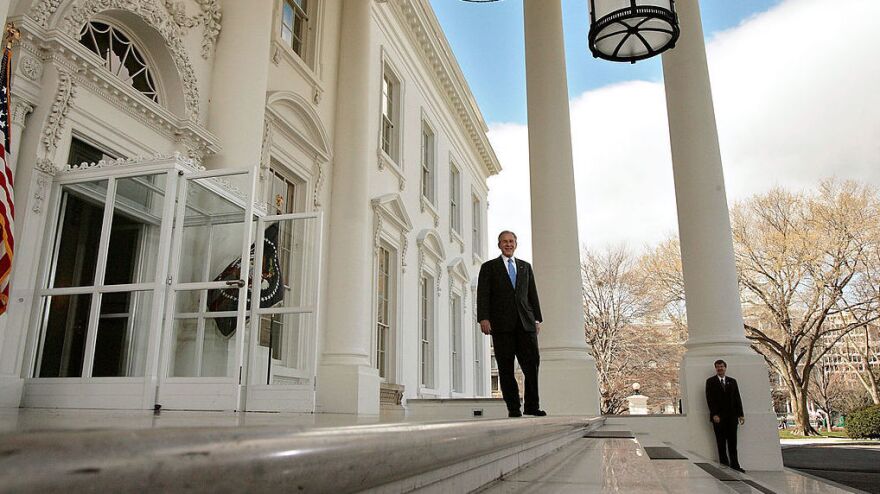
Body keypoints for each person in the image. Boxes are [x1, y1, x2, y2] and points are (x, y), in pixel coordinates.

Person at [477, 231, 545, 418]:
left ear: (516, 244)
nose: (508, 244)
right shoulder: (489, 267)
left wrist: (537, 319)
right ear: (499, 245)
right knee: (505, 368)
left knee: (532, 366)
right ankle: (514, 408)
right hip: (501, 326)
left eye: (511, 241)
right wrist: (484, 318)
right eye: (505, 242)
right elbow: (483, 295)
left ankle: (532, 406)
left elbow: (532, 295)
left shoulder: (525, 267)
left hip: (526, 324)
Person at [705, 359, 745, 472]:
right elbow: (710, 400)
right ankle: (724, 464)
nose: (720, 368)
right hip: (718, 418)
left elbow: (737, 398)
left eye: (721, 366)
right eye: (718, 367)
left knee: (733, 443)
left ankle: (735, 465)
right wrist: (714, 414)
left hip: (732, 417)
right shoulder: (710, 382)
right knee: (721, 442)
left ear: (725, 367)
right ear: (715, 368)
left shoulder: (732, 381)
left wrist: (740, 414)